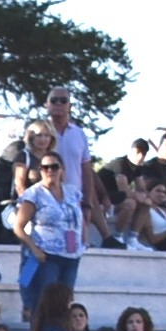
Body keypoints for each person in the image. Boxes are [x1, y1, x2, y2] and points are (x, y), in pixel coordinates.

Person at [11, 152, 84, 320]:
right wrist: (34, 249)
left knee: (65, 300)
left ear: (62, 169)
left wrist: (83, 239)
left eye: (54, 166)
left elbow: (79, 217)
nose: (50, 170)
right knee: (46, 300)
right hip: (46, 255)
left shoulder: (72, 192)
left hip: (71, 253)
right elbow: (18, 227)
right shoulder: (33, 193)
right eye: (45, 167)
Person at [44, 86, 109, 246]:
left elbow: (86, 170)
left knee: (74, 246)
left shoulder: (79, 134)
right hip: (46, 198)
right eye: (54, 100)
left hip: (73, 198)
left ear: (70, 106)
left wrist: (87, 204)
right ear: (47, 105)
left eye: (63, 100)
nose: (58, 104)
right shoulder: (40, 133)